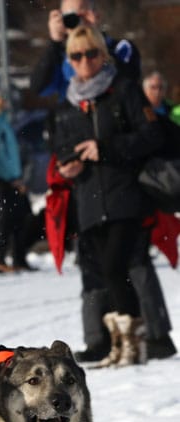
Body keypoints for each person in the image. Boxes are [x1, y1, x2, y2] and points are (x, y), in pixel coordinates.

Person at [31, 0, 174, 361]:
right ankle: (103, 340)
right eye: (75, 56)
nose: (82, 61)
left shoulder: (120, 70)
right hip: (89, 194)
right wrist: (53, 41)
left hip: (126, 189)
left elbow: (148, 127)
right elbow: (38, 86)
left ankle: (149, 338)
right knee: (96, 268)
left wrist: (105, 149)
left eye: (90, 53)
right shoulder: (67, 94)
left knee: (127, 264)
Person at [0, 90, 34, 271]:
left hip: (15, 177)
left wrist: (19, 177)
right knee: (3, 219)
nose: (3, 103)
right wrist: (9, 176)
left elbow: (14, 153)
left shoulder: (8, 122)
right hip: (1, 178)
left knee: (21, 219)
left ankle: (19, 258)